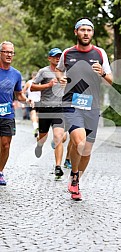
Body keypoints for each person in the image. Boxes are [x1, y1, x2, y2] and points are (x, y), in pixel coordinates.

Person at [56, 18, 112, 200]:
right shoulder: (67, 53)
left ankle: (76, 180)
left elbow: (111, 80)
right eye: (82, 30)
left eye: (89, 30)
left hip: (92, 106)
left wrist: (102, 73)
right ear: (76, 32)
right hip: (71, 103)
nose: (86, 33)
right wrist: (60, 78)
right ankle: (73, 173)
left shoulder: (100, 53)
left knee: (86, 150)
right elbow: (59, 70)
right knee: (78, 141)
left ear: (92, 33)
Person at [0, 41, 32, 185]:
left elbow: (19, 94)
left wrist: (27, 100)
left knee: (6, 145)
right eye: (6, 52)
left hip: (7, 114)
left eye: (11, 52)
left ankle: (0, 172)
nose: (9, 55)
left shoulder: (16, 74)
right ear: (1, 53)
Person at [30, 48, 65, 179]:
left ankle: (58, 167)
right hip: (45, 109)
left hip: (59, 109)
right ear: (49, 58)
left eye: (59, 56)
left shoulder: (65, 71)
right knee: (43, 137)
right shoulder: (43, 72)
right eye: (55, 56)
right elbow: (32, 87)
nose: (57, 58)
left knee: (58, 137)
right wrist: (48, 85)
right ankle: (39, 145)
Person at [23, 71, 41, 137]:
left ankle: (35, 126)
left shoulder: (29, 82)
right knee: (37, 115)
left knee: (33, 114)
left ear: (32, 76)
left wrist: (25, 100)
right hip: (40, 101)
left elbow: (23, 92)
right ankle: (37, 126)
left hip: (31, 101)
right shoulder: (40, 83)